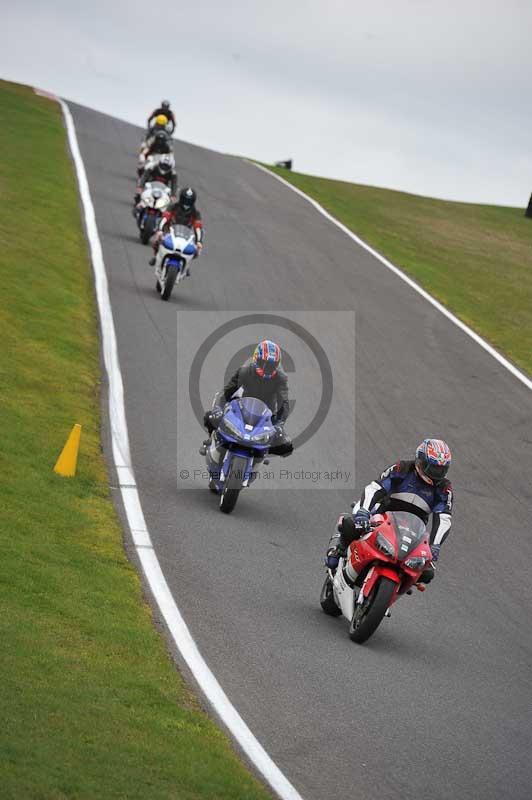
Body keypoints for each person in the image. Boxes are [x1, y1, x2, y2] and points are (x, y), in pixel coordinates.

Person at [325, 439, 453, 585]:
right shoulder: (402, 468)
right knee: (352, 524)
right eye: (432, 468)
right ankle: (339, 549)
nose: (435, 474)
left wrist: (435, 545)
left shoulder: (444, 488)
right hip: (382, 516)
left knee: (427, 573)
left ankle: (397, 587)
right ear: (420, 461)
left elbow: (444, 518)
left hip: (413, 531)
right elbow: (375, 488)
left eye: (441, 470)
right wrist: (364, 512)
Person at [200, 340, 294, 457]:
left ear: (276, 365)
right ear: (256, 359)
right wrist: (218, 408)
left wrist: (279, 424)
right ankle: (212, 440)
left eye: (270, 365)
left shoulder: (281, 378)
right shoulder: (245, 371)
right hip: (241, 409)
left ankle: (262, 453)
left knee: (286, 446)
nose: (266, 368)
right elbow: (226, 393)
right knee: (210, 417)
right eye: (263, 363)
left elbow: (283, 403)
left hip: (265, 417)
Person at [149, 187, 204, 272]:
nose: (186, 203)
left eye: (189, 201)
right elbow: (165, 218)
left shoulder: (196, 213)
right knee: (155, 240)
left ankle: (187, 264)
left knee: (197, 251)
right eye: (185, 200)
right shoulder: (173, 207)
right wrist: (160, 230)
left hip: (186, 234)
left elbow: (198, 227)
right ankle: (156, 256)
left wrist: (199, 242)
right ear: (181, 198)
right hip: (169, 230)